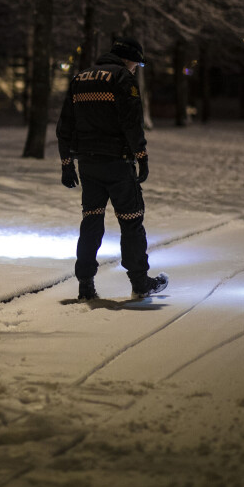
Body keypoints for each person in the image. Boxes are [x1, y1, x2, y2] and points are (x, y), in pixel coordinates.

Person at [55, 37, 168, 300]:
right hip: (117, 163)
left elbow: (65, 125)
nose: (136, 69)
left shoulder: (80, 78)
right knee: (131, 222)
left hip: (89, 164)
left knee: (91, 220)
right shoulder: (122, 78)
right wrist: (142, 156)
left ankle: (85, 285)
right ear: (128, 59)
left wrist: (66, 163)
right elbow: (131, 122)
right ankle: (140, 283)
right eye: (136, 64)